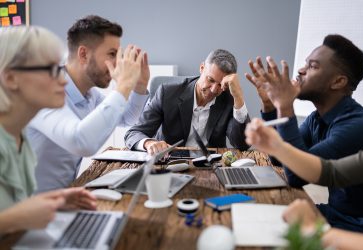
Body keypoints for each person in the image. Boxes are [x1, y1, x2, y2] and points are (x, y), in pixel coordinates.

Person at [245, 50, 363, 250]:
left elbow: (296, 177)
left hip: (360, 229)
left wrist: (285, 107)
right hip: (335, 216)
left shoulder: (359, 126)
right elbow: (324, 170)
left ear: (338, 82)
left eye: (313, 66)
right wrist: (270, 109)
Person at [27, 15, 149, 192]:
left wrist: (139, 86)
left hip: (62, 198)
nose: (118, 62)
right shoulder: (44, 91)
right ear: (83, 54)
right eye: (112, 54)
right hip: (26, 209)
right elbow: (82, 142)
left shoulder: (90, 94)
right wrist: (123, 86)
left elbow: (128, 118)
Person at [0, 26, 96, 234]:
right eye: (51, 71)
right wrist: (16, 218)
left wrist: (52, 201)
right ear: (10, 78)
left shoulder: (19, 138)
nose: (63, 80)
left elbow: (12, 204)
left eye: (60, 69)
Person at [124, 49, 250, 154]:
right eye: (210, 80)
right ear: (202, 68)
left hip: (211, 166)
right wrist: (148, 143)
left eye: (220, 85)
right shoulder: (166, 94)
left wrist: (238, 98)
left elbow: (242, 145)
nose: (213, 90)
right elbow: (134, 133)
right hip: (171, 162)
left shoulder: (229, 99)